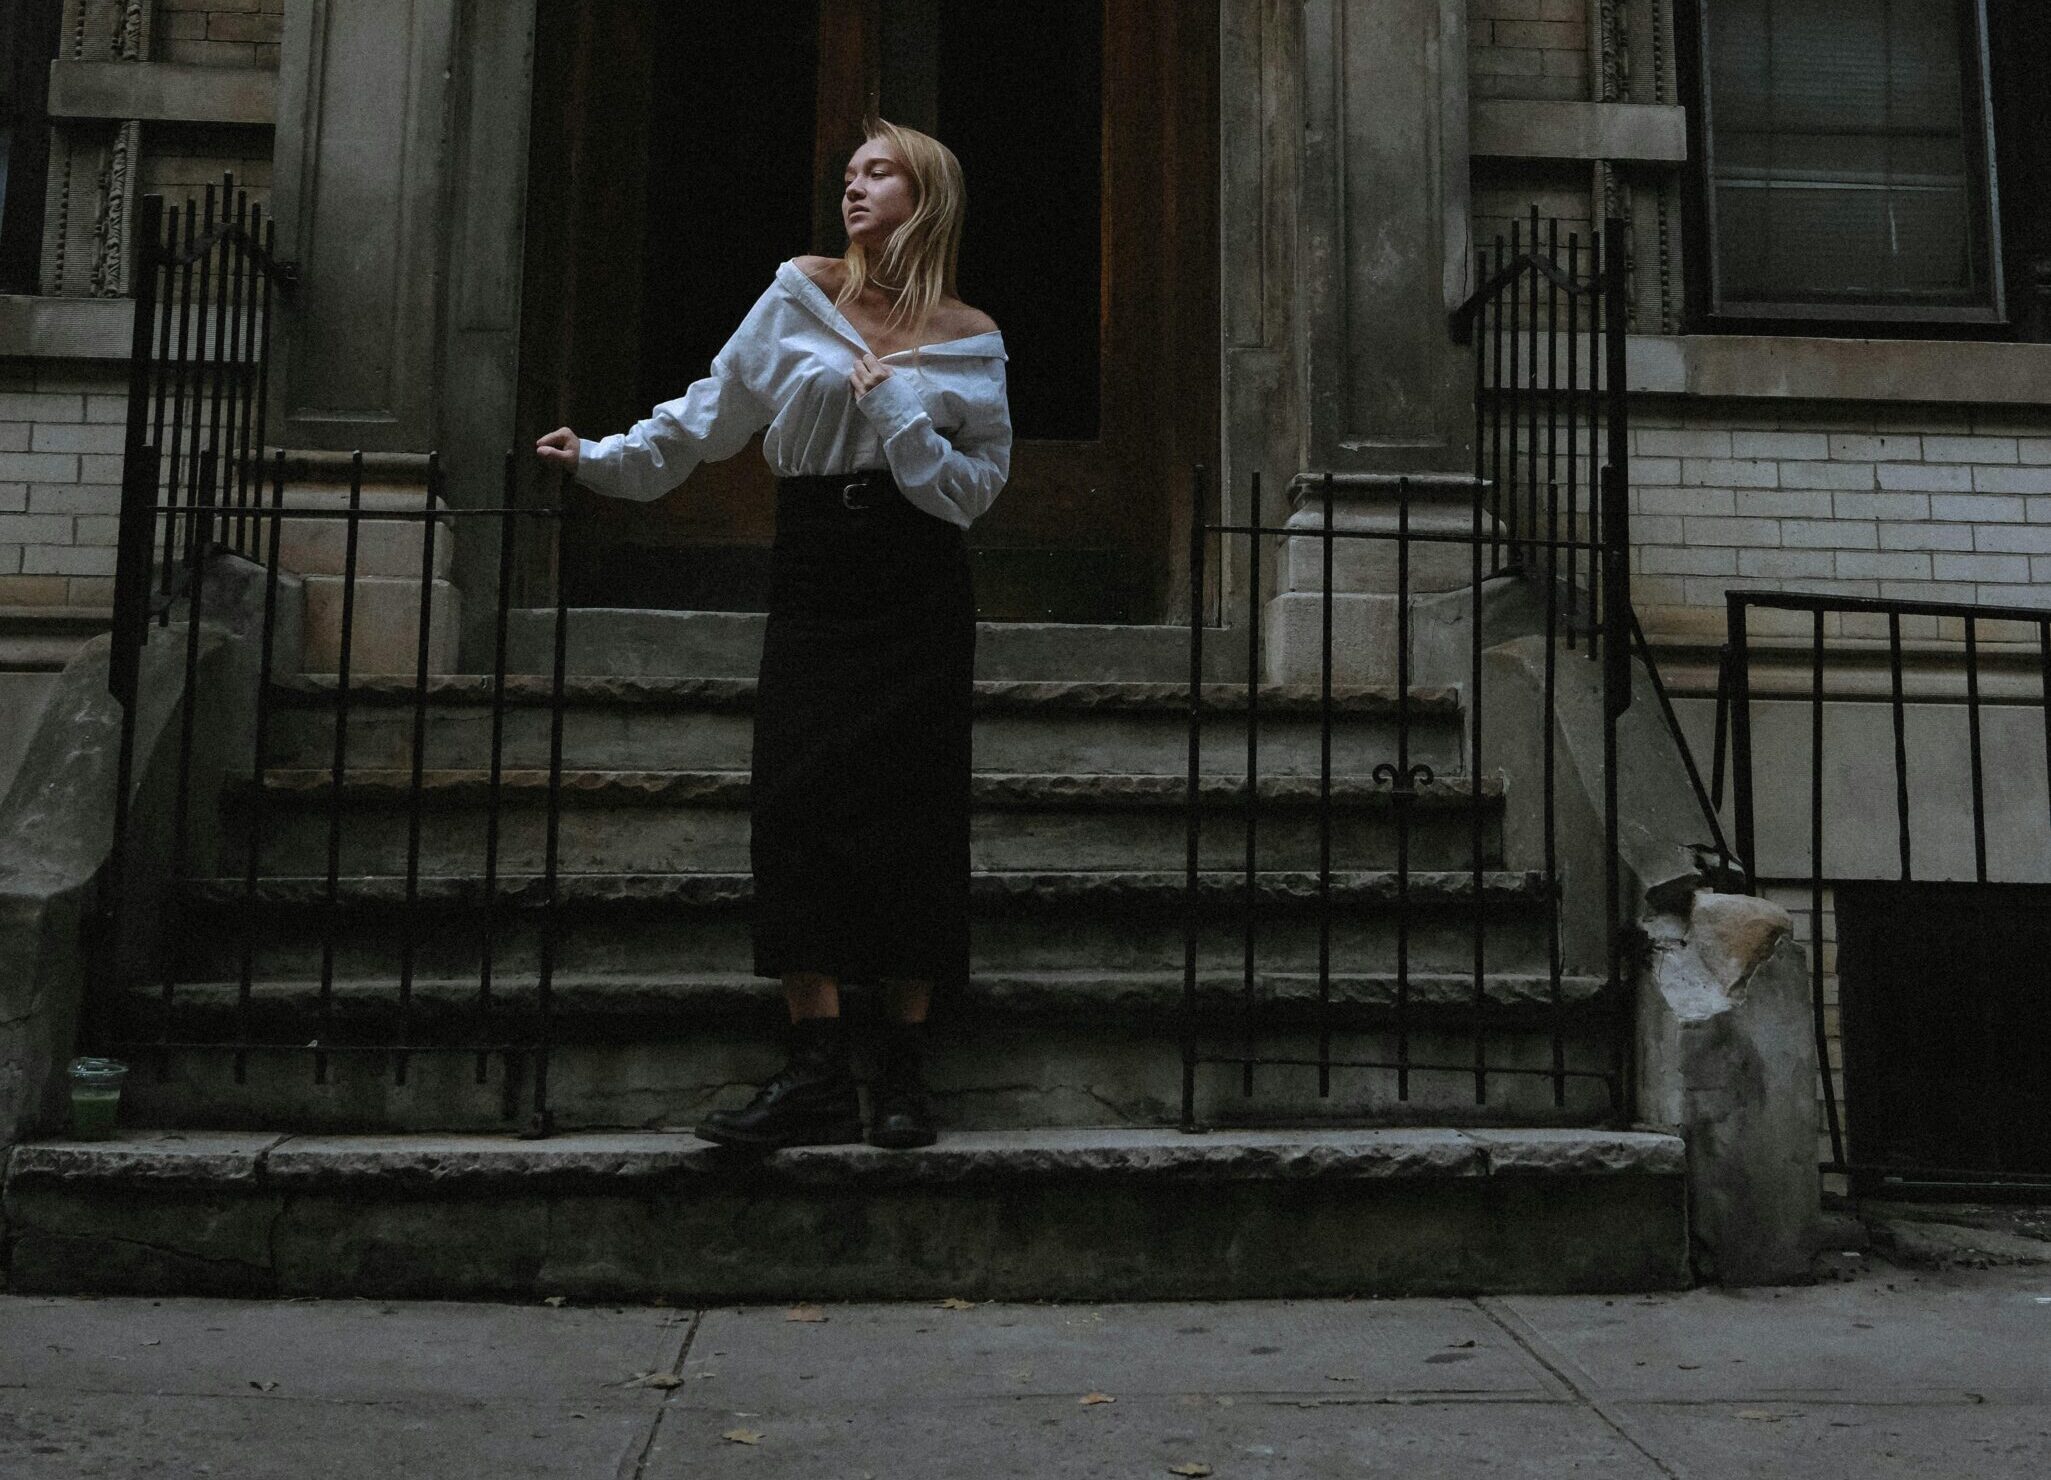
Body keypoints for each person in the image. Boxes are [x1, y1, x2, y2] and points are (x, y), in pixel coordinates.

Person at [534, 118, 1010, 1154]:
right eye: (846, 173)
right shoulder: (798, 291)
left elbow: (974, 491)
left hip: (917, 576)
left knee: (914, 811)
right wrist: (603, 458)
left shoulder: (972, 337)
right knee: (795, 798)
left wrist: (902, 425)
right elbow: (712, 411)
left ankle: (901, 1070)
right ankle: (814, 1064)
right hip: (815, 570)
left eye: (876, 172)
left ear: (924, 193)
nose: (852, 188)